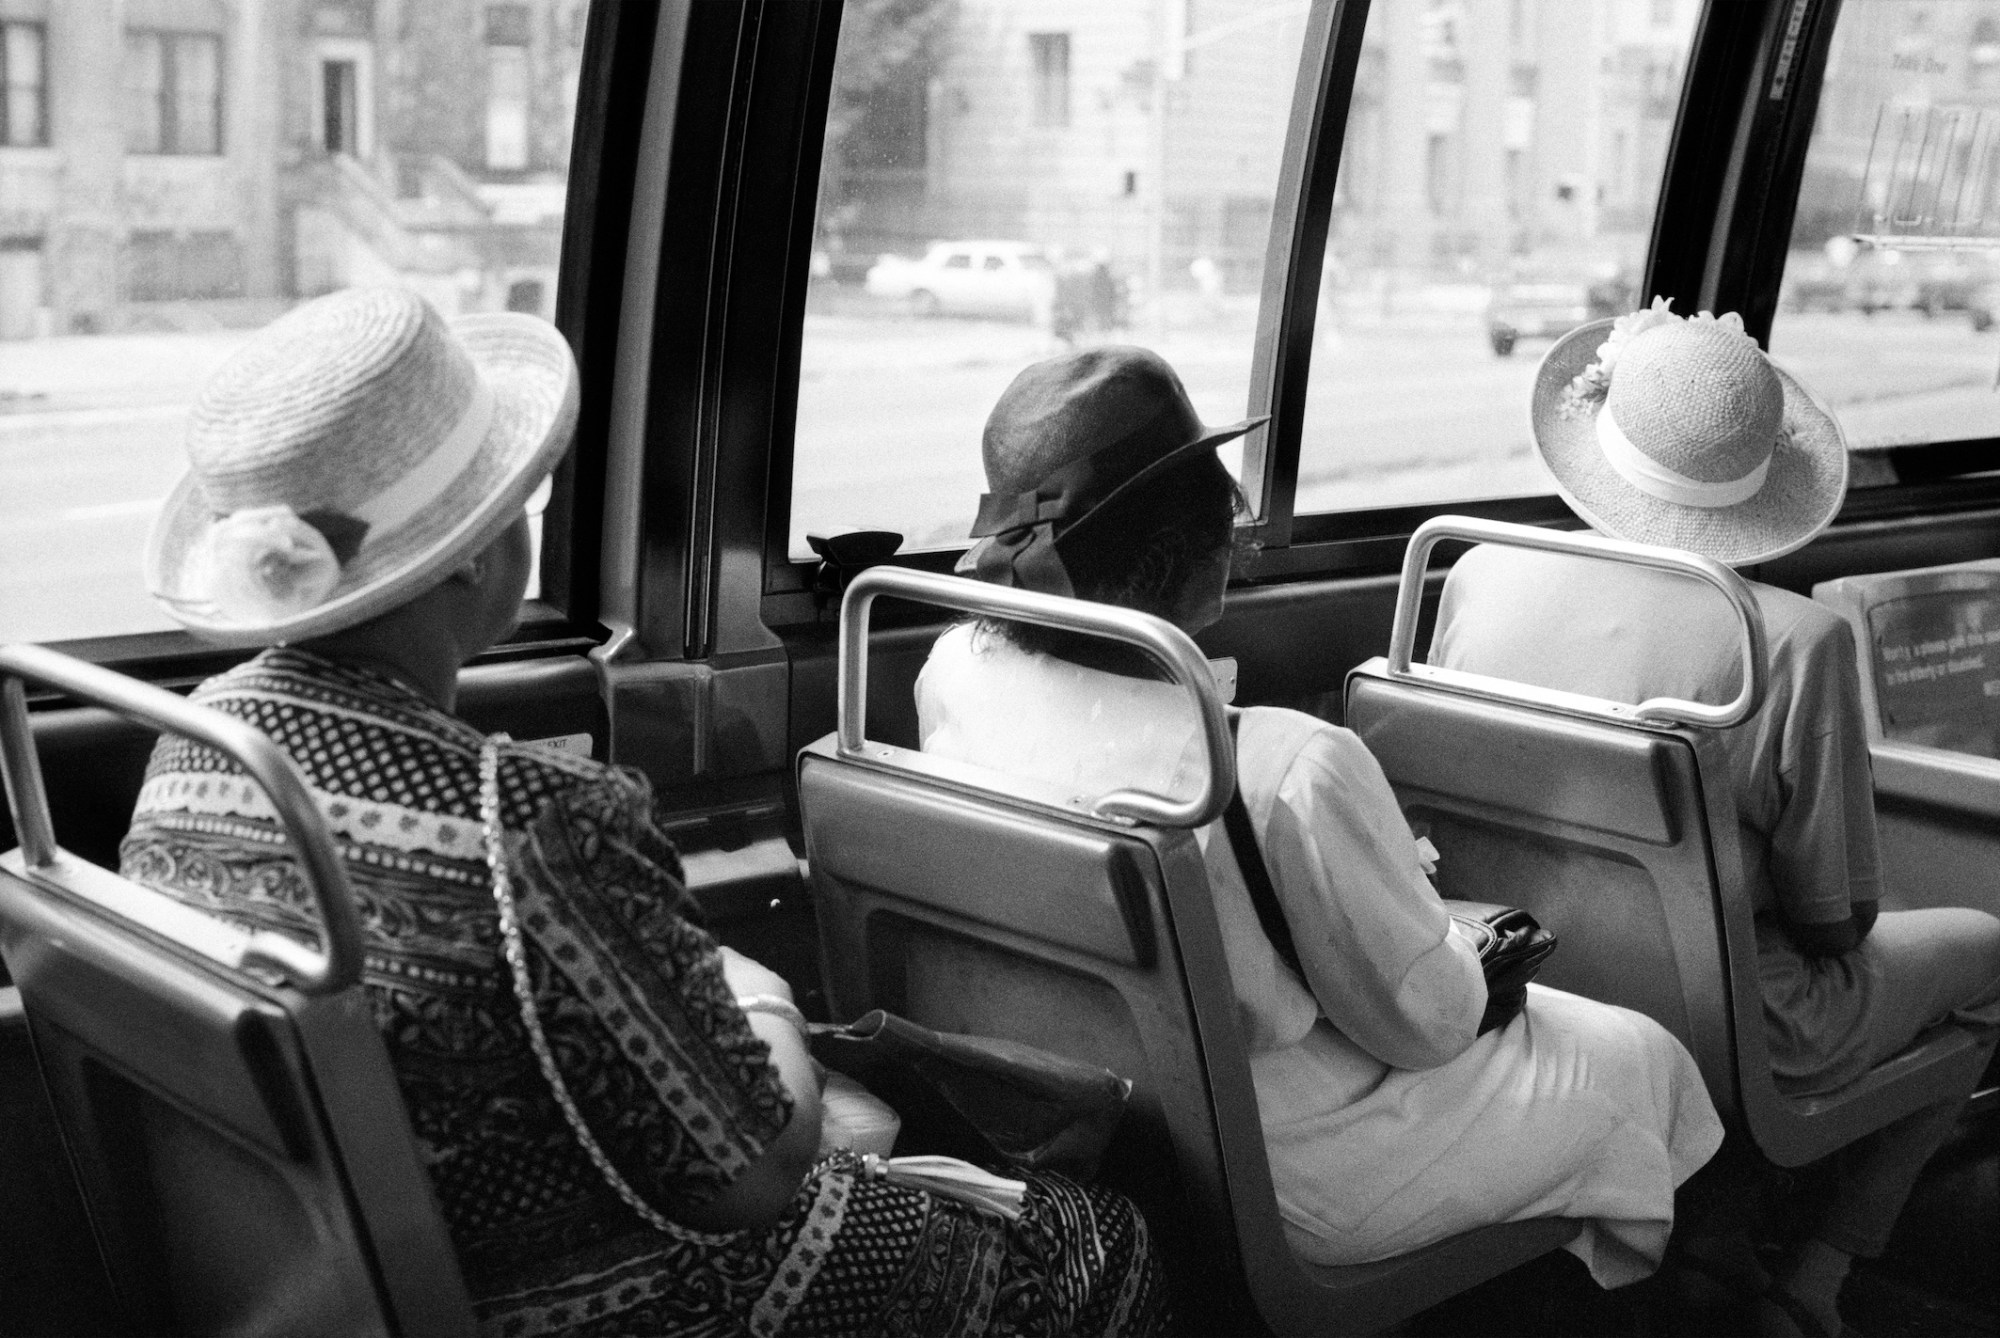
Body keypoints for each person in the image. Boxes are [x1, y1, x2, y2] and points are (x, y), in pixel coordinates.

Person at [118, 287, 1168, 1338]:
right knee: (1099, 1244)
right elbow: (752, 1171)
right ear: (476, 555)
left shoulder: (192, 753)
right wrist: (754, 999)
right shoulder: (530, 823)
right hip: (619, 1299)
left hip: (381, 1280)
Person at [916, 345, 1725, 1292]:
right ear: (1179, 550)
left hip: (1076, 1105)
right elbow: (1426, 1027)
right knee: (1640, 1055)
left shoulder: (953, 673)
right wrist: (1456, 946)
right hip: (1287, 1165)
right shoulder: (1278, 765)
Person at [1428, 299, 2000, 1338]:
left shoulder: (1472, 571)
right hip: (1735, 1025)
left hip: (1519, 979)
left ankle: (1721, 1230)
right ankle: (1814, 1279)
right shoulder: (1790, 642)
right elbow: (1835, 925)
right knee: (1985, 954)